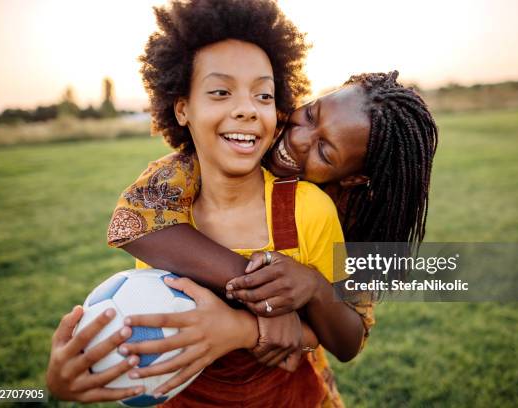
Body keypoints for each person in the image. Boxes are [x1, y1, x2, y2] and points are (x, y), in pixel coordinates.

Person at [47, 0, 370, 406]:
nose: (246, 109)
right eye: (220, 91)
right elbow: (131, 233)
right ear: (182, 108)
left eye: (264, 95)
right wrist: (71, 377)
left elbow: (342, 337)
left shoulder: (311, 209)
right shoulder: (165, 205)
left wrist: (276, 308)